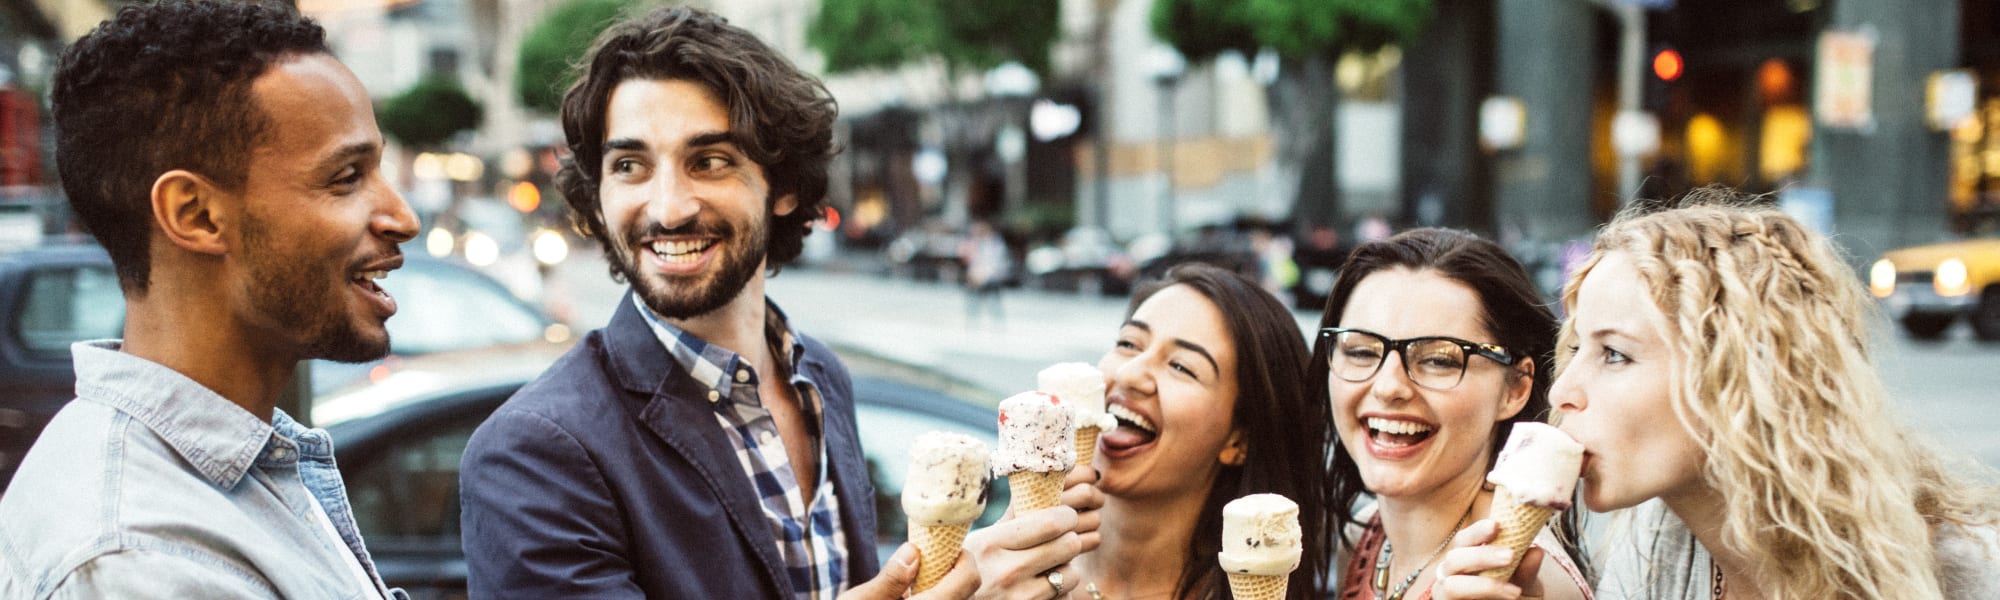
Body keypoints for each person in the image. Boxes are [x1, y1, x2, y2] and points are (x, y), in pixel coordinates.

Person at [457, 7, 1080, 599]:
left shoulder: (822, 380)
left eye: (709, 161)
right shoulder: (533, 454)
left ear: (781, 185)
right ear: (598, 195)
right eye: (629, 165)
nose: (668, 207)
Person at [0, 1, 414, 596]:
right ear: (195, 214)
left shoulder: (212, 484)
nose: (404, 217)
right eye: (346, 177)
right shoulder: (139, 560)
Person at [1434, 189, 2000, 599]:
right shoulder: (1655, 543)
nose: (1563, 390)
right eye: (1577, 347)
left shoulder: (1964, 572)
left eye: (1615, 354)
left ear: (1740, 379)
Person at [1314, 229, 1591, 600]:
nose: (1387, 386)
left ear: (1515, 388)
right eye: (1361, 351)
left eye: (1438, 360)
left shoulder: (1526, 581)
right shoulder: (1363, 539)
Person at [1063, 263, 1330, 600]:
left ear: (1239, 439)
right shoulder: (1000, 570)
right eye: (1129, 344)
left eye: (1181, 366)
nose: (1130, 374)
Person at [960, 219, 1010, 328]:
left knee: (993, 302)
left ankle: (998, 325)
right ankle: (972, 323)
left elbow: (996, 263)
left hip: (990, 277)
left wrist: (983, 275)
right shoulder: (976, 242)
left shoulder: (995, 244)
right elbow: (972, 260)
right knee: (973, 301)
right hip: (976, 276)